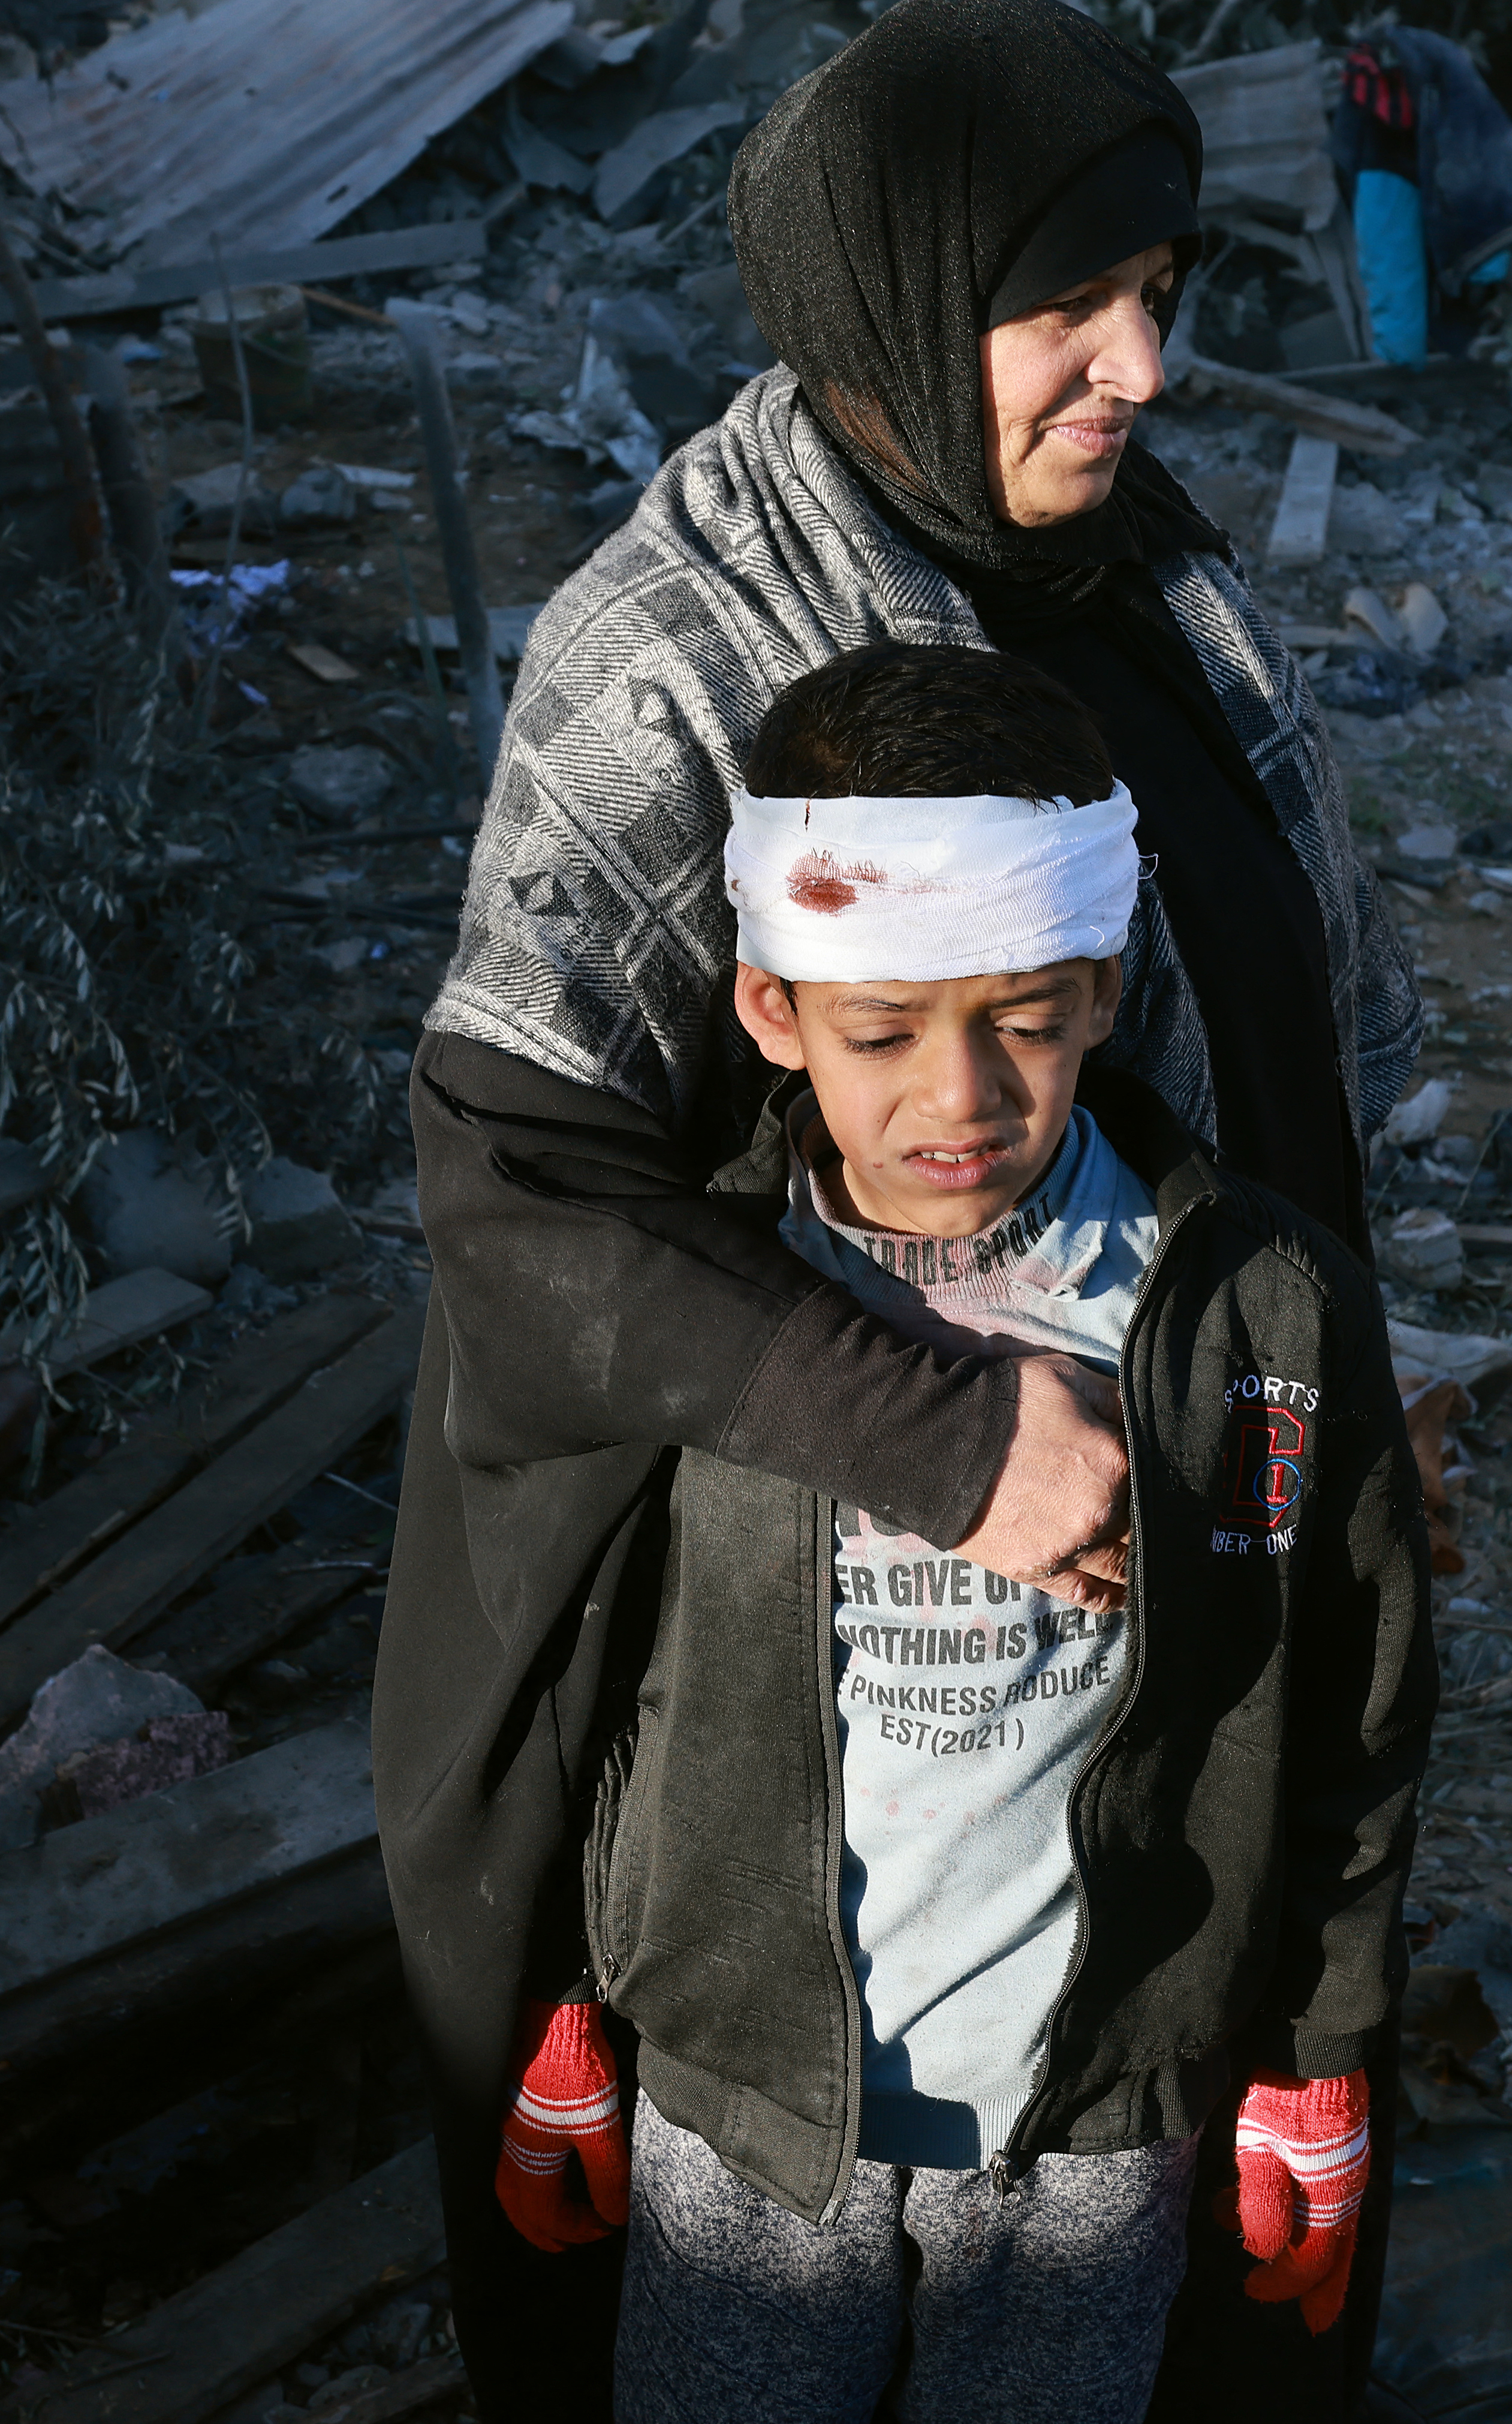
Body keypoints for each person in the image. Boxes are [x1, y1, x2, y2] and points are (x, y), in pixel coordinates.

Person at [377, 0, 1427, 2423]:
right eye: (1062, 308)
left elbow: (1270, 1013)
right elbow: (515, 1200)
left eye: (1161, 292)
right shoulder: (683, 655)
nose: (1139, 363)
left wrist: (1351, 1383)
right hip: (772, 1745)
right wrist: (953, 1437)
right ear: (884, 308)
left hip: (1144, 1704)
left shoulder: (1129, 563)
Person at [490, 637, 1427, 2424]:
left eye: (1016, 1017)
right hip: (746, 2108)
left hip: (1093, 2120)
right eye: (879, 1030)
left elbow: (1352, 1705)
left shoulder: (1253, 1319)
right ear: (771, 1009)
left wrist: (1313, 2057)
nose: (958, 1100)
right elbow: (579, 1668)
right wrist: (570, 1994)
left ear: (1098, 984)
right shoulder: (707, 1311)